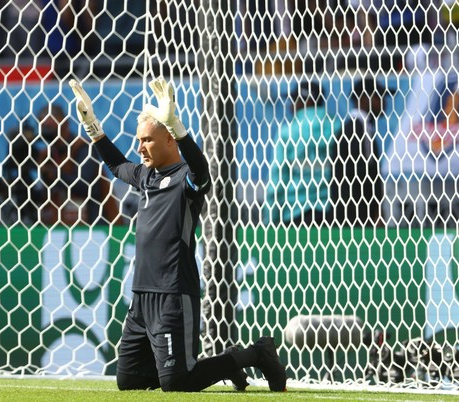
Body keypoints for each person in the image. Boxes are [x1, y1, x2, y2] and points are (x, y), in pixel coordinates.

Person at [70, 77, 287, 392]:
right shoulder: (146, 175)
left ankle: (256, 354)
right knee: (128, 382)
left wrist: (178, 126)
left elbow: (202, 171)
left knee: (177, 383)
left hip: (174, 293)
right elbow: (117, 166)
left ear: (170, 141)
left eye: (148, 140)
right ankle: (224, 363)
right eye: (139, 140)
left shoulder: (186, 179)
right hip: (142, 296)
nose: (140, 147)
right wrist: (93, 128)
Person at [265, 79, 338, 226]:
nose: (291, 105)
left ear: (306, 100)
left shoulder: (287, 133)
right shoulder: (338, 129)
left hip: (294, 214)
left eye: (294, 100)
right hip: (329, 213)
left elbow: (277, 179)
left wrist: (270, 220)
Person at [35, 104, 120, 226]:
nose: (47, 130)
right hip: (62, 223)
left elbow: (85, 186)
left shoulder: (83, 147)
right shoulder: (48, 154)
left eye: (49, 126)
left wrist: (55, 174)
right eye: (43, 126)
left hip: (95, 221)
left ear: (65, 123)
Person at [332, 77, 387, 226]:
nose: (384, 102)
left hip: (349, 215)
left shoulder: (350, 128)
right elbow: (366, 174)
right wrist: (376, 212)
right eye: (379, 96)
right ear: (364, 99)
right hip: (357, 218)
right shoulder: (360, 130)